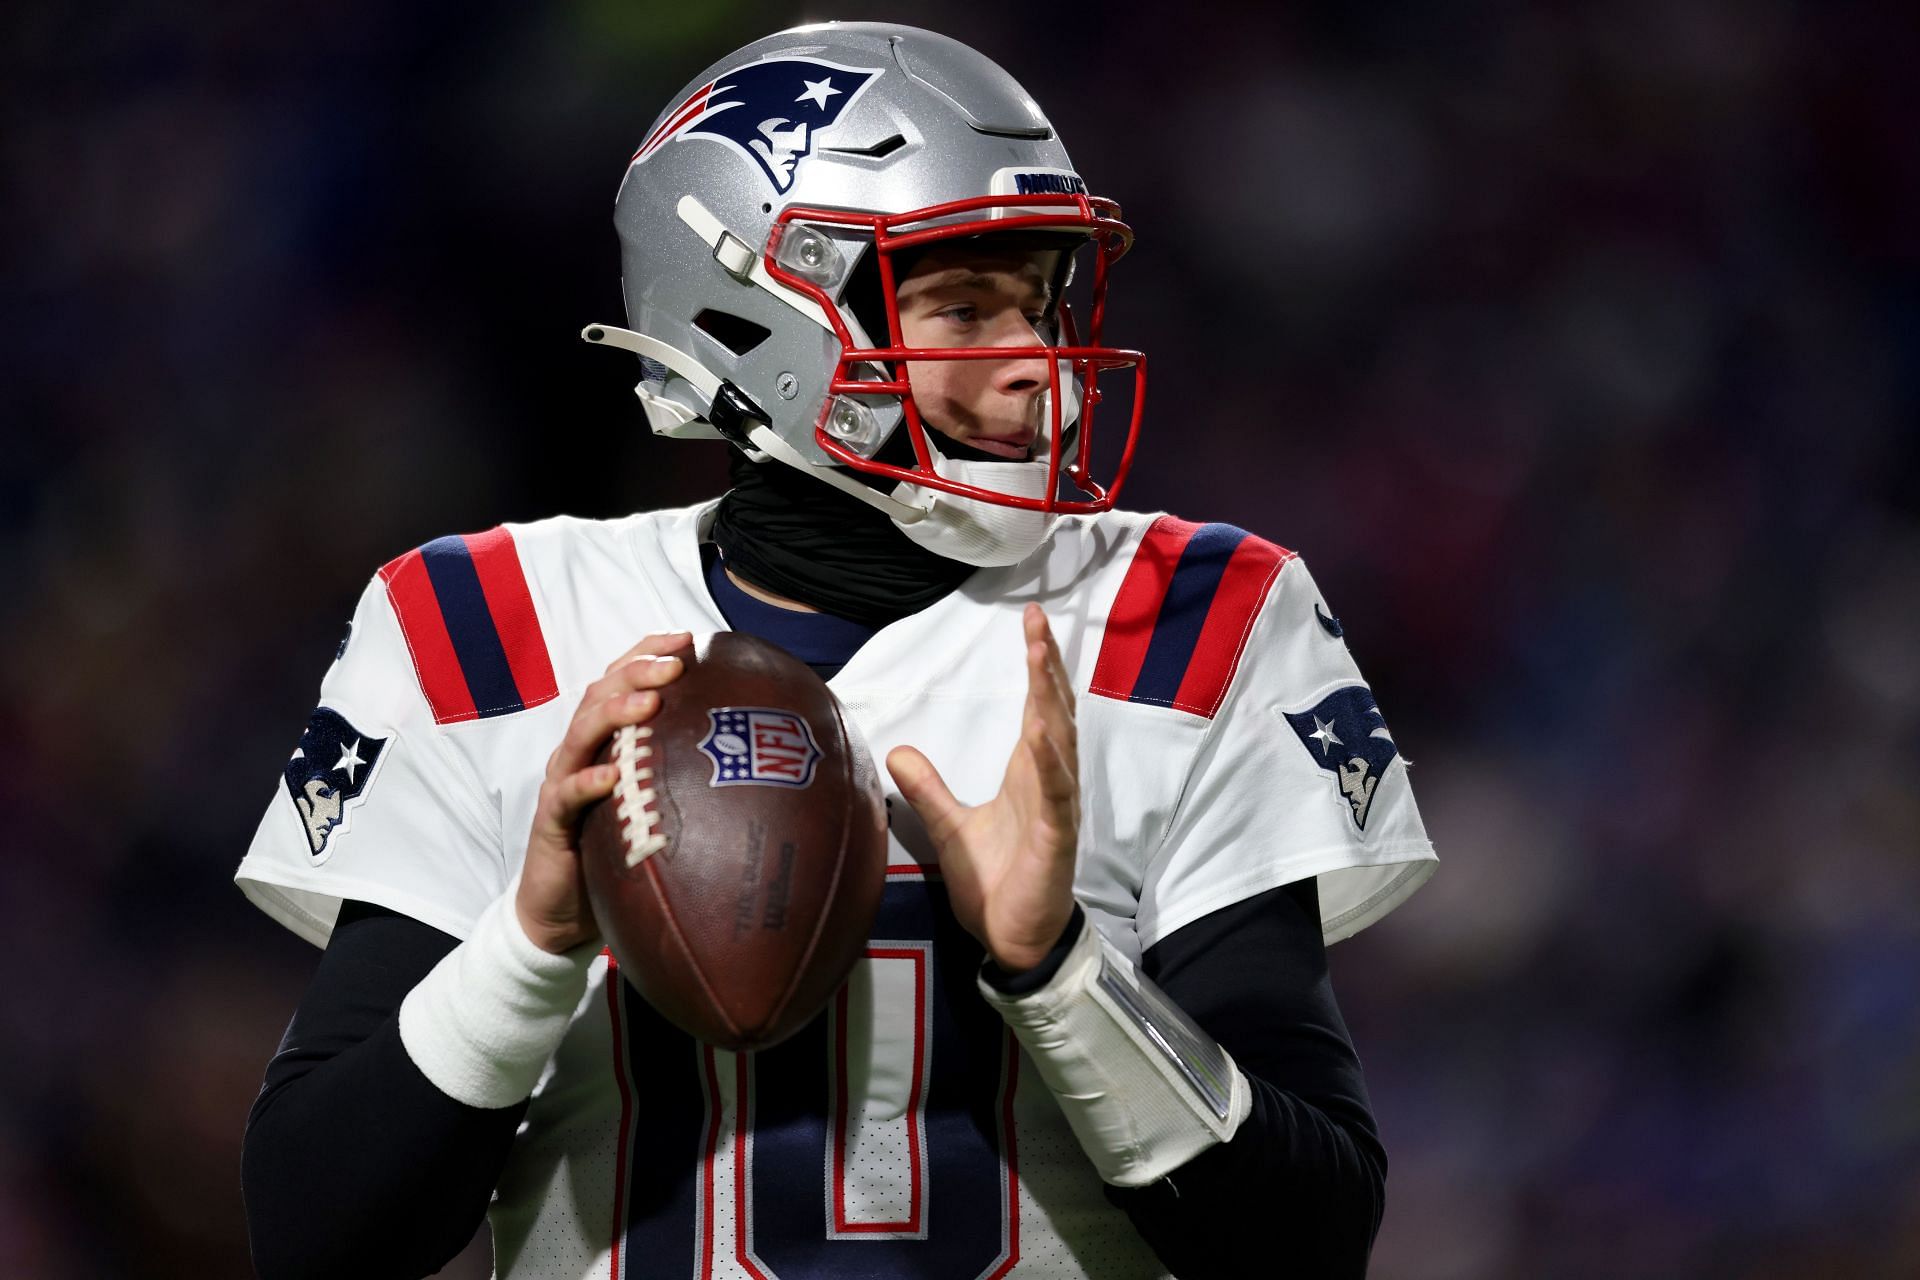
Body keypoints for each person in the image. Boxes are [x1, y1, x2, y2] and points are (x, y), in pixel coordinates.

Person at [236, 22, 1436, 1280]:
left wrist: (1059, 970)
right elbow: (318, 1234)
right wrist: (531, 943)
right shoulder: (484, 627)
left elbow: (1311, 1240)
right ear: (753, 314)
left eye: (1040, 301)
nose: (1037, 365)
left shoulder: (1189, 617)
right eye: (963, 305)